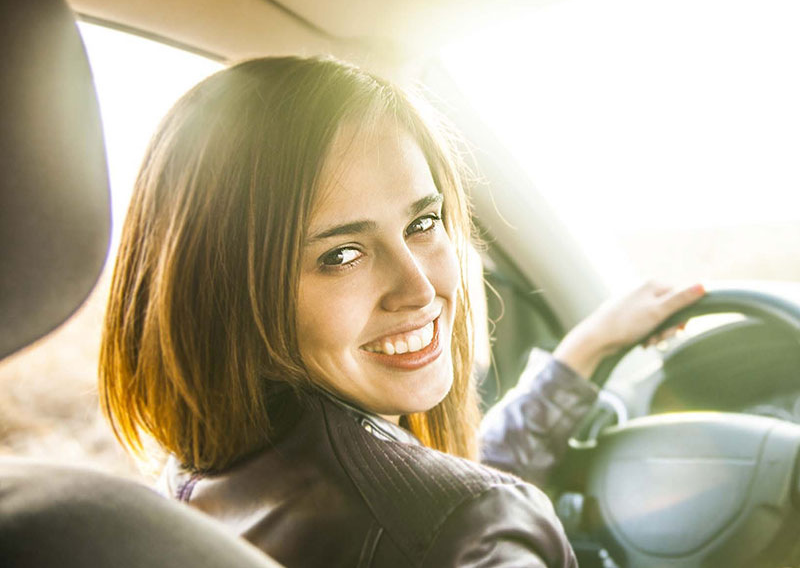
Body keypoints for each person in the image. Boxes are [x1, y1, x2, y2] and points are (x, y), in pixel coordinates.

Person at [98, 55, 703, 567]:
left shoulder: (203, 475)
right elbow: (433, 510)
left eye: (422, 222)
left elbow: (406, 493)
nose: (418, 288)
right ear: (224, 287)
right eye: (341, 254)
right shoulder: (474, 534)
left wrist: (579, 354)